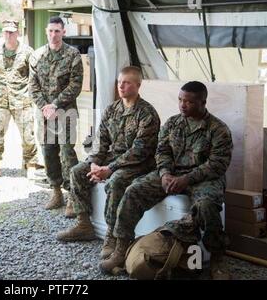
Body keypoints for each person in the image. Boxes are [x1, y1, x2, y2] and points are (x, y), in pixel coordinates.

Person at [101, 81, 233, 280]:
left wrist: (186, 179)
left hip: (202, 178)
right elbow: (162, 152)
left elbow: (217, 164)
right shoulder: (172, 123)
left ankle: (217, 258)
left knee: (207, 205)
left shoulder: (218, 129)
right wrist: (164, 174)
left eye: (188, 101)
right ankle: (121, 247)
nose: (182, 105)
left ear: (203, 102)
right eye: (180, 100)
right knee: (134, 190)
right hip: (171, 174)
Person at [56, 67, 160, 254]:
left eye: (127, 82)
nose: (121, 85)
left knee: (116, 181)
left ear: (138, 85)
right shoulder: (112, 110)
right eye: (119, 81)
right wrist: (95, 162)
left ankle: (111, 235)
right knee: (77, 171)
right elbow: (101, 141)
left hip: (138, 163)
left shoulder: (147, 114)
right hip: (111, 159)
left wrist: (109, 169)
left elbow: (140, 151)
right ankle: (84, 224)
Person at [28, 16, 83, 218]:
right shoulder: (36, 56)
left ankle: (73, 196)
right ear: (46, 31)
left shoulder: (73, 55)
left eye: (57, 31)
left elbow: (75, 85)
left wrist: (55, 104)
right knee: (48, 151)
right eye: (50, 31)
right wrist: (45, 106)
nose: (53, 34)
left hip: (65, 111)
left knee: (67, 153)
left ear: (63, 32)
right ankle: (56, 191)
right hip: (45, 114)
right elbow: (32, 86)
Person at [0, 19, 41, 181]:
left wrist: (23, 92)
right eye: (6, 32)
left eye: (12, 32)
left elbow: (34, 77)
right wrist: (3, 90)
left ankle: (30, 165)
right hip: (1, 101)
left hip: (22, 100)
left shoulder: (28, 53)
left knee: (27, 135)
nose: (9, 35)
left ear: (18, 33)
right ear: (3, 33)